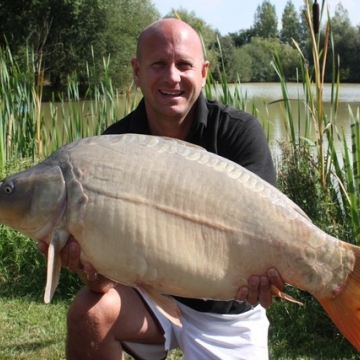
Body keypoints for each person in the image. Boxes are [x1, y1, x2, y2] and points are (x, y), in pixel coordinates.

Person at [38, 18, 284, 360]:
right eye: (158, 65)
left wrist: (265, 273)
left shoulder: (238, 133)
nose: (172, 77)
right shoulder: (111, 149)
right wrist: (91, 269)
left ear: (203, 72)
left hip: (228, 311)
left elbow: (267, 232)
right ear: (137, 72)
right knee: (89, 313)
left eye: (184, 64)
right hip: (146, 298)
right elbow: (104, 282)